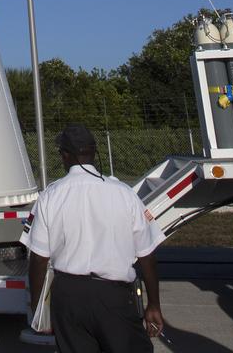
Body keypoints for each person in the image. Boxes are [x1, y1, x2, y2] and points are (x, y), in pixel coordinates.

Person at [25, 124, 166, 352]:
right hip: (114, 296)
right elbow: (147, 255)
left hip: (68, 296)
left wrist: (37, 304)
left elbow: (39, 259)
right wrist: (154, 304)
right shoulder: (125, 194)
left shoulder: (50, 196)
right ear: (94, 152)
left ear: (64, 155)